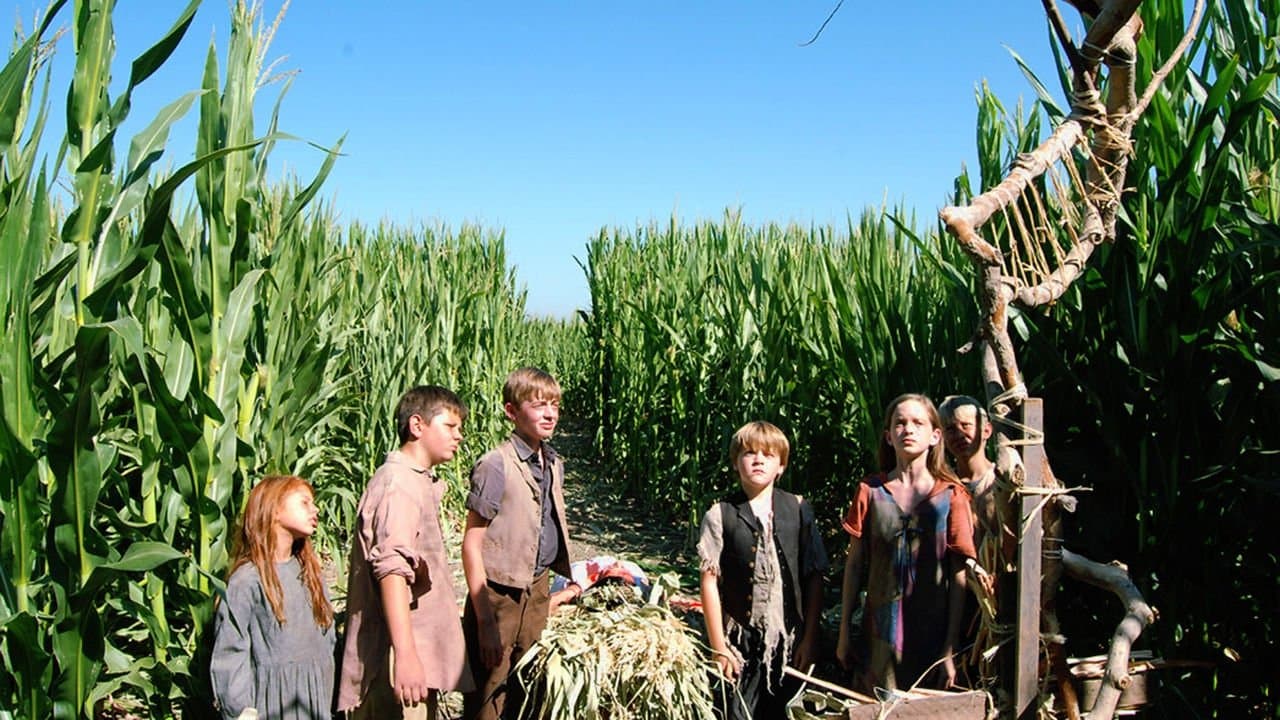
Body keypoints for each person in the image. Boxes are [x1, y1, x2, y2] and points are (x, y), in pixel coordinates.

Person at [337, 386, 472, 719]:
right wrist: (407, 655)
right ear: (417, 425)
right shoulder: (399, 485)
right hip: (396, 661)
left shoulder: (415, 480)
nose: (459, 436)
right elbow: (392, 571)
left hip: (411, 654)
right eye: (450, 426)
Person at [836, 394, 977, 692]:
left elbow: (959, 575)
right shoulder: (870, 492)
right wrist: (844, 632)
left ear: (935, 436)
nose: (908, 429)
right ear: (889, 436)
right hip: (879, 639)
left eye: (917, 423)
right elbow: (854, 566)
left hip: (932, 636)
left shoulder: (952, 497)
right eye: (899, 423)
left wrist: (950, 648)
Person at [697, 421, 828, 719]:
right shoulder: (720, 514)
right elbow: (709, 582)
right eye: (749, 453)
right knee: (738, 712)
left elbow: (814, 576)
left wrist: (810, 638)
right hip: (740, 640)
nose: (758, 460)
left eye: (768, 455)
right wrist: (719, 647)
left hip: (790, 639)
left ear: (781, 466)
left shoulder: (799, 509)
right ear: (735, 462)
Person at [461, 367, 572, 720]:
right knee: (490, 691)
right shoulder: (496, 465)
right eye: (538, 405)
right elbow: (471, 543)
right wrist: (485, 621)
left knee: (527, 683)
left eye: (554, 405)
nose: (550, 414)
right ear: (511, 411)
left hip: (536, 588)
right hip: (498, 595)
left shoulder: (552, 462)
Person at [211, 475, 336, 720]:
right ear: (274, 510)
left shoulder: (310, 573)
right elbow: (231, 650)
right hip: (273, 705)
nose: (315, 509)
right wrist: (241, 711)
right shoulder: (247, 580)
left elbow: (328, 639)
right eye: (304, 502)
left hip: (315, 700)